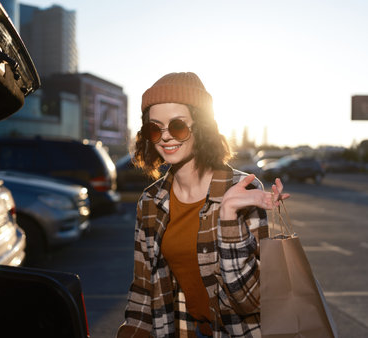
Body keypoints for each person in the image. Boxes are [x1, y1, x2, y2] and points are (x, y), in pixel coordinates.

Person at [116, 72, 289, 338]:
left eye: (177, 126)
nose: (165, 137)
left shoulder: (243, 190)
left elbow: (253, 300)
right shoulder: (150, 201)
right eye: (154, 128)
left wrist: (229, 216)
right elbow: (143, 288)